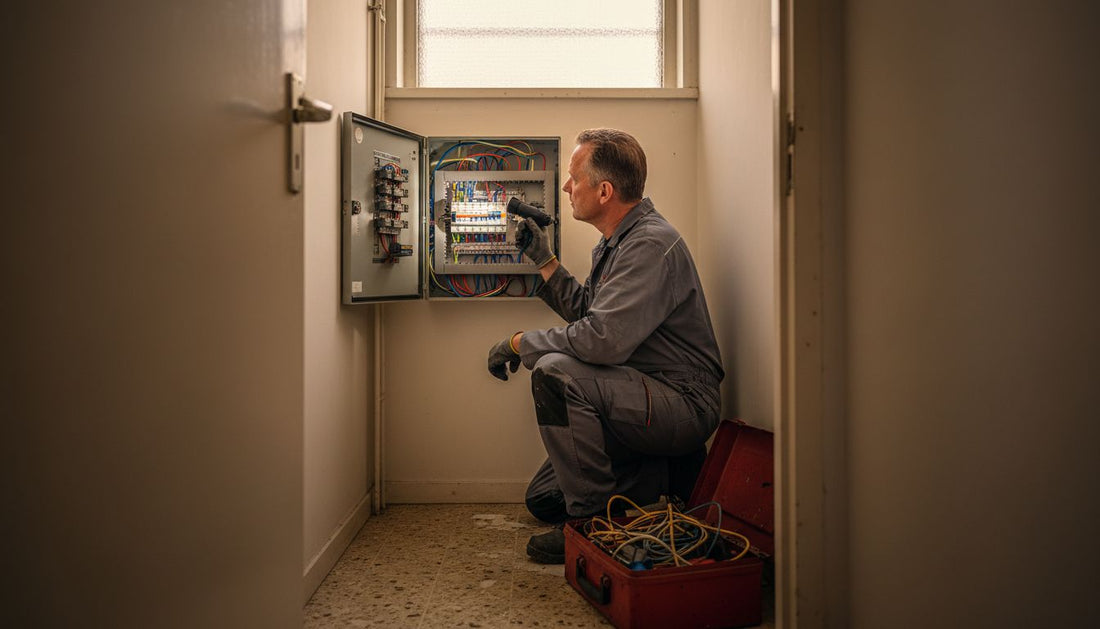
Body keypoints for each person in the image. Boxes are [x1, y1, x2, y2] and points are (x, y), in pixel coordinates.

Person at [487, 128, 724, 564]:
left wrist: (520, 344)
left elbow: (600, 341)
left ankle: (592, 525)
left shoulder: (650, 245)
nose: (566, 187)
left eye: (574, 177)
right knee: (543, 500)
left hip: (682, 402)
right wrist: (545, 262)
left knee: (555, 371)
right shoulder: (618, 242)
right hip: (637, 393)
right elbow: (591, 315)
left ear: (604, 190)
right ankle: (664, 472)